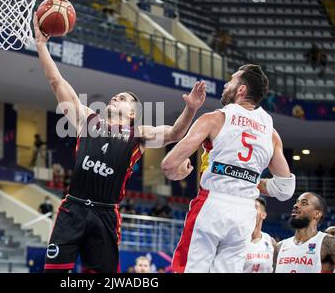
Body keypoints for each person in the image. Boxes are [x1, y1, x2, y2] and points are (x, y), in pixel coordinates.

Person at [34, 16, 206, 273]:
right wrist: (40, 45)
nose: (116, 97)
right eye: (116, 96)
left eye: (123, 98)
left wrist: (190, 109)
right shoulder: (87, 120)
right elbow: (57, 83)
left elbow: (173, 134)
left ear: (133, 112)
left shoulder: (139, 136)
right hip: (73, 208)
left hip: (105, 214)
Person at [162, 64, 295, 273]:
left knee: (190, 269)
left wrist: (179, 172)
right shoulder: (271, 132)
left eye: (231, 80)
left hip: (212, 203)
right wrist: (251, 180)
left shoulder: (214, 119)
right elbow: (285, 189)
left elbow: (168, 165)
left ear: (241, 90)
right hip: (245, 212)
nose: (226, 85)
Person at [274, 192, 335, 273]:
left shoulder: (328, 243)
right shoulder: (280, 246)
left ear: (317, 214)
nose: (295, 205)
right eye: (297, 202)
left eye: (304, 203)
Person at [243, 198, 275, 273]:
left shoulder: (271, 242)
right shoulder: (236, 240)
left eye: (255, 207)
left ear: (263, 215)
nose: (251, 211)